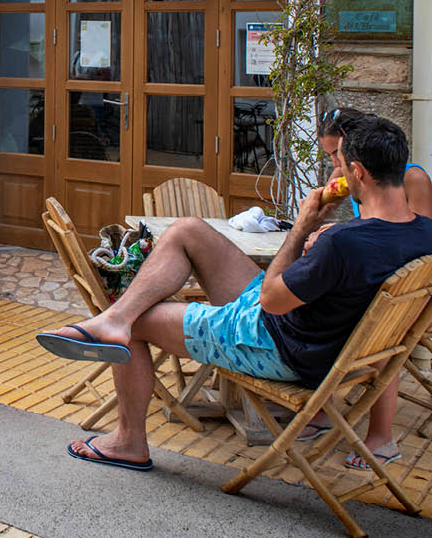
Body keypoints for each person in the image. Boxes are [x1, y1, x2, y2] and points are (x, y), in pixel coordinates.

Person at [36, 116, 432, 473]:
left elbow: (272, 300)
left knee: (139, 320)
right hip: (307, 334)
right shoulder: (424, 236)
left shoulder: (345, 242)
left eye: (340, 164)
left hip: (275, 345)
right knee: (188, 229)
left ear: (358, 173)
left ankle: (128, 440)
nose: (336, 171)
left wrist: (303, 226)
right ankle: (114, 320)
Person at [295, 108, 432, 467]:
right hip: (377, 279)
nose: (334, 165)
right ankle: (324, 411)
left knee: (377, 329)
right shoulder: (354, 176)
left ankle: (382, 439)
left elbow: (417, 243)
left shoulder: (410, 179)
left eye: (336, 154)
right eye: (329, 157)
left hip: (411, 289)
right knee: (324, 305)